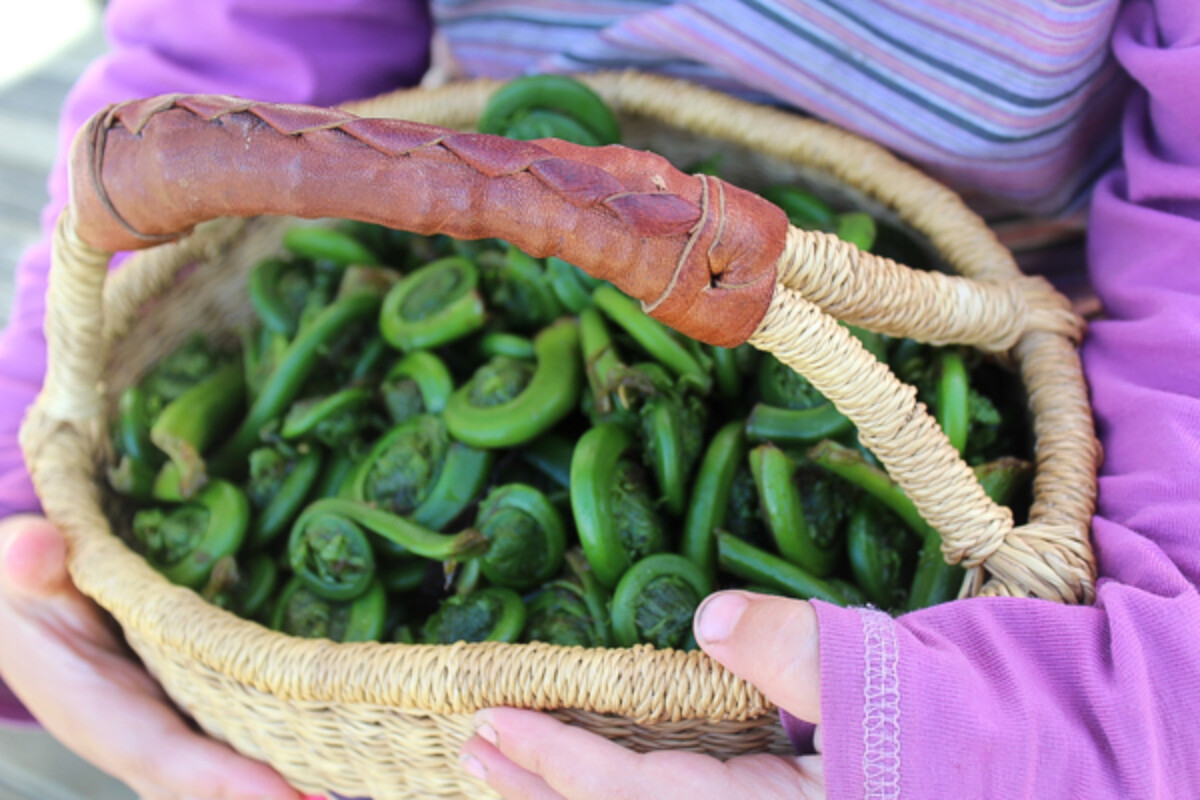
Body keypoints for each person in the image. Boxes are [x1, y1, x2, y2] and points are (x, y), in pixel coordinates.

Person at [2, 1, 1198, 798]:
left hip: (1017, 379)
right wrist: (25, 488)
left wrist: (1059, 714)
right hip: (481, 219)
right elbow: (240, 62)